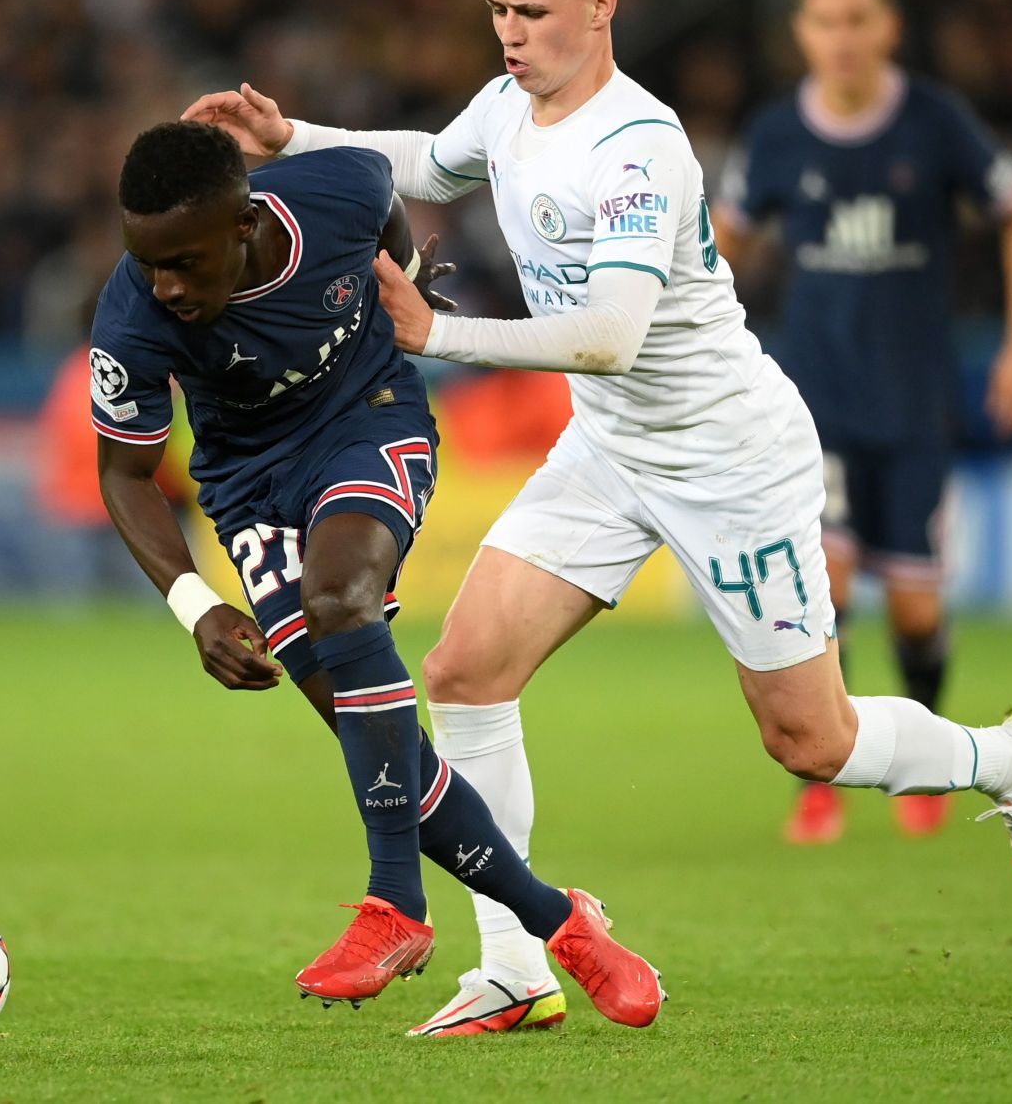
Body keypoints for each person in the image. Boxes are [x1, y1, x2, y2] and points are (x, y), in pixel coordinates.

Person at [186, 0, 1012, 1039]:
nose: (509, 32)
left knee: (811, 739)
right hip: (610, 446)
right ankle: (513, 964)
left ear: (603, 5)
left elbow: (611, 332)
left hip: (727, 457)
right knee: (462, 672)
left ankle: (1007, 758)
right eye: (497, 9)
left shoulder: (639, 148)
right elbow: (431, 161)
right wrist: (292, 136)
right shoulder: (511, 103)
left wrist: (438, 334)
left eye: (533, 12)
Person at [91, 120, 663, 1028]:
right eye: (147, 262)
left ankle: (395, 901)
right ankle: (562, 921)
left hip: (370, 418)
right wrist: (196, 605)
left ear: (244, 223)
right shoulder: (134, 314)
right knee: (381, 745)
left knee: (339, 600)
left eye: (186, 264)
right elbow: (123, 474)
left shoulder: (340, 189)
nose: (165, 285)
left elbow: (385, 217)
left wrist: (397, 285)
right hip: (248, 488)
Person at [714, 0, 1012, 844]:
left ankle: (932, 756)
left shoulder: (935, 124)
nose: (843, 38)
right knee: (823, 581)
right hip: (811, 406)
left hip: (912, 405)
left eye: (859, 19)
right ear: (802, 33)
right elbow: (725, 244)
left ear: (888, 27)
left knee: (915, 606)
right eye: (826, 21)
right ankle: (820, 781)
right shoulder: (779, 135)